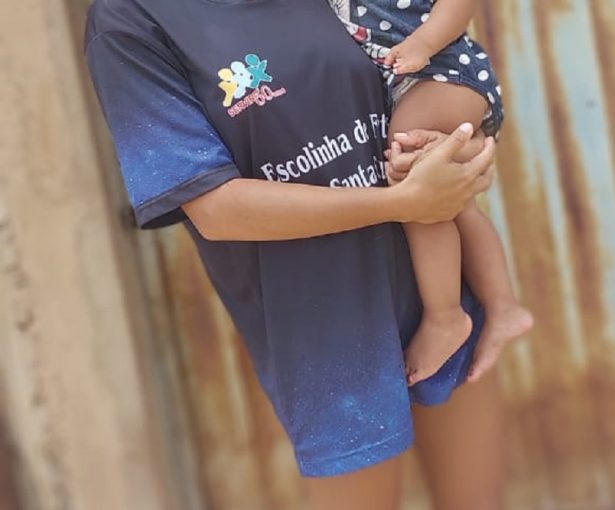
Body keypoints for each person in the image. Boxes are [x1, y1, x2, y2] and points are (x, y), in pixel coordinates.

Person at [84, 0, 508, 508]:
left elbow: (433, 70)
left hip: (440, 299)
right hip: (324, 339)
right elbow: (216, 209)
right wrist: (404, 202)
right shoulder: (130, 21)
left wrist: (464, 151)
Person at [330, 0, 533, 385]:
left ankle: (445, 317)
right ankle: (503, 307)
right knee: (460, 208)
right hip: (410, 84)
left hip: (443, 72)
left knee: (414, 183)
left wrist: (424, 43)